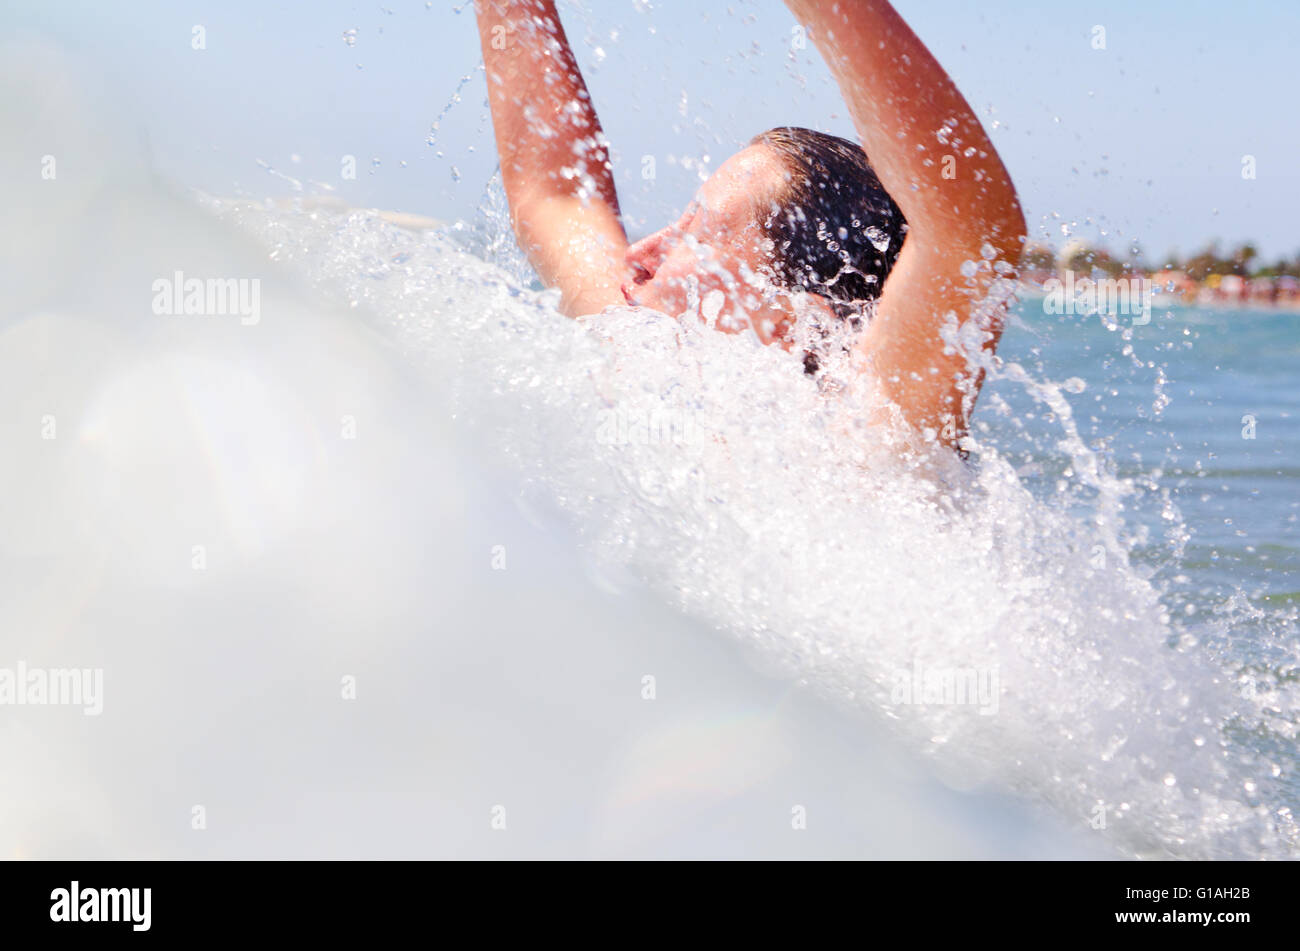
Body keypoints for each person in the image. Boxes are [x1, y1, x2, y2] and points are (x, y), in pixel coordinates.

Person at [474, 0, 1025, 451]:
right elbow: (556, 195)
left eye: (692, 234)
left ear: (798, 322)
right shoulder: (646, 351)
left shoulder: (871, 443)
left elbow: (971, 235)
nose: (639, 253)